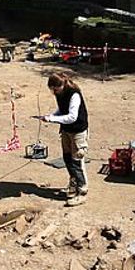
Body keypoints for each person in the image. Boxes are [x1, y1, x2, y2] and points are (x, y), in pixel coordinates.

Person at [37, 73, 90, 206]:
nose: (53, 92)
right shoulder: (60, 94)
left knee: (77, 161)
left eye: (55, 89)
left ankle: (82, 191)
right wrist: (50, 115)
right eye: (52, 90)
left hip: (78, 131)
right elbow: (62, 110)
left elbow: (72, 116)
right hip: (66, 130)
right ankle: (73, 185)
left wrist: (53, 119)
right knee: (67, 158)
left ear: (61, 85)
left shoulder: (74, 94)